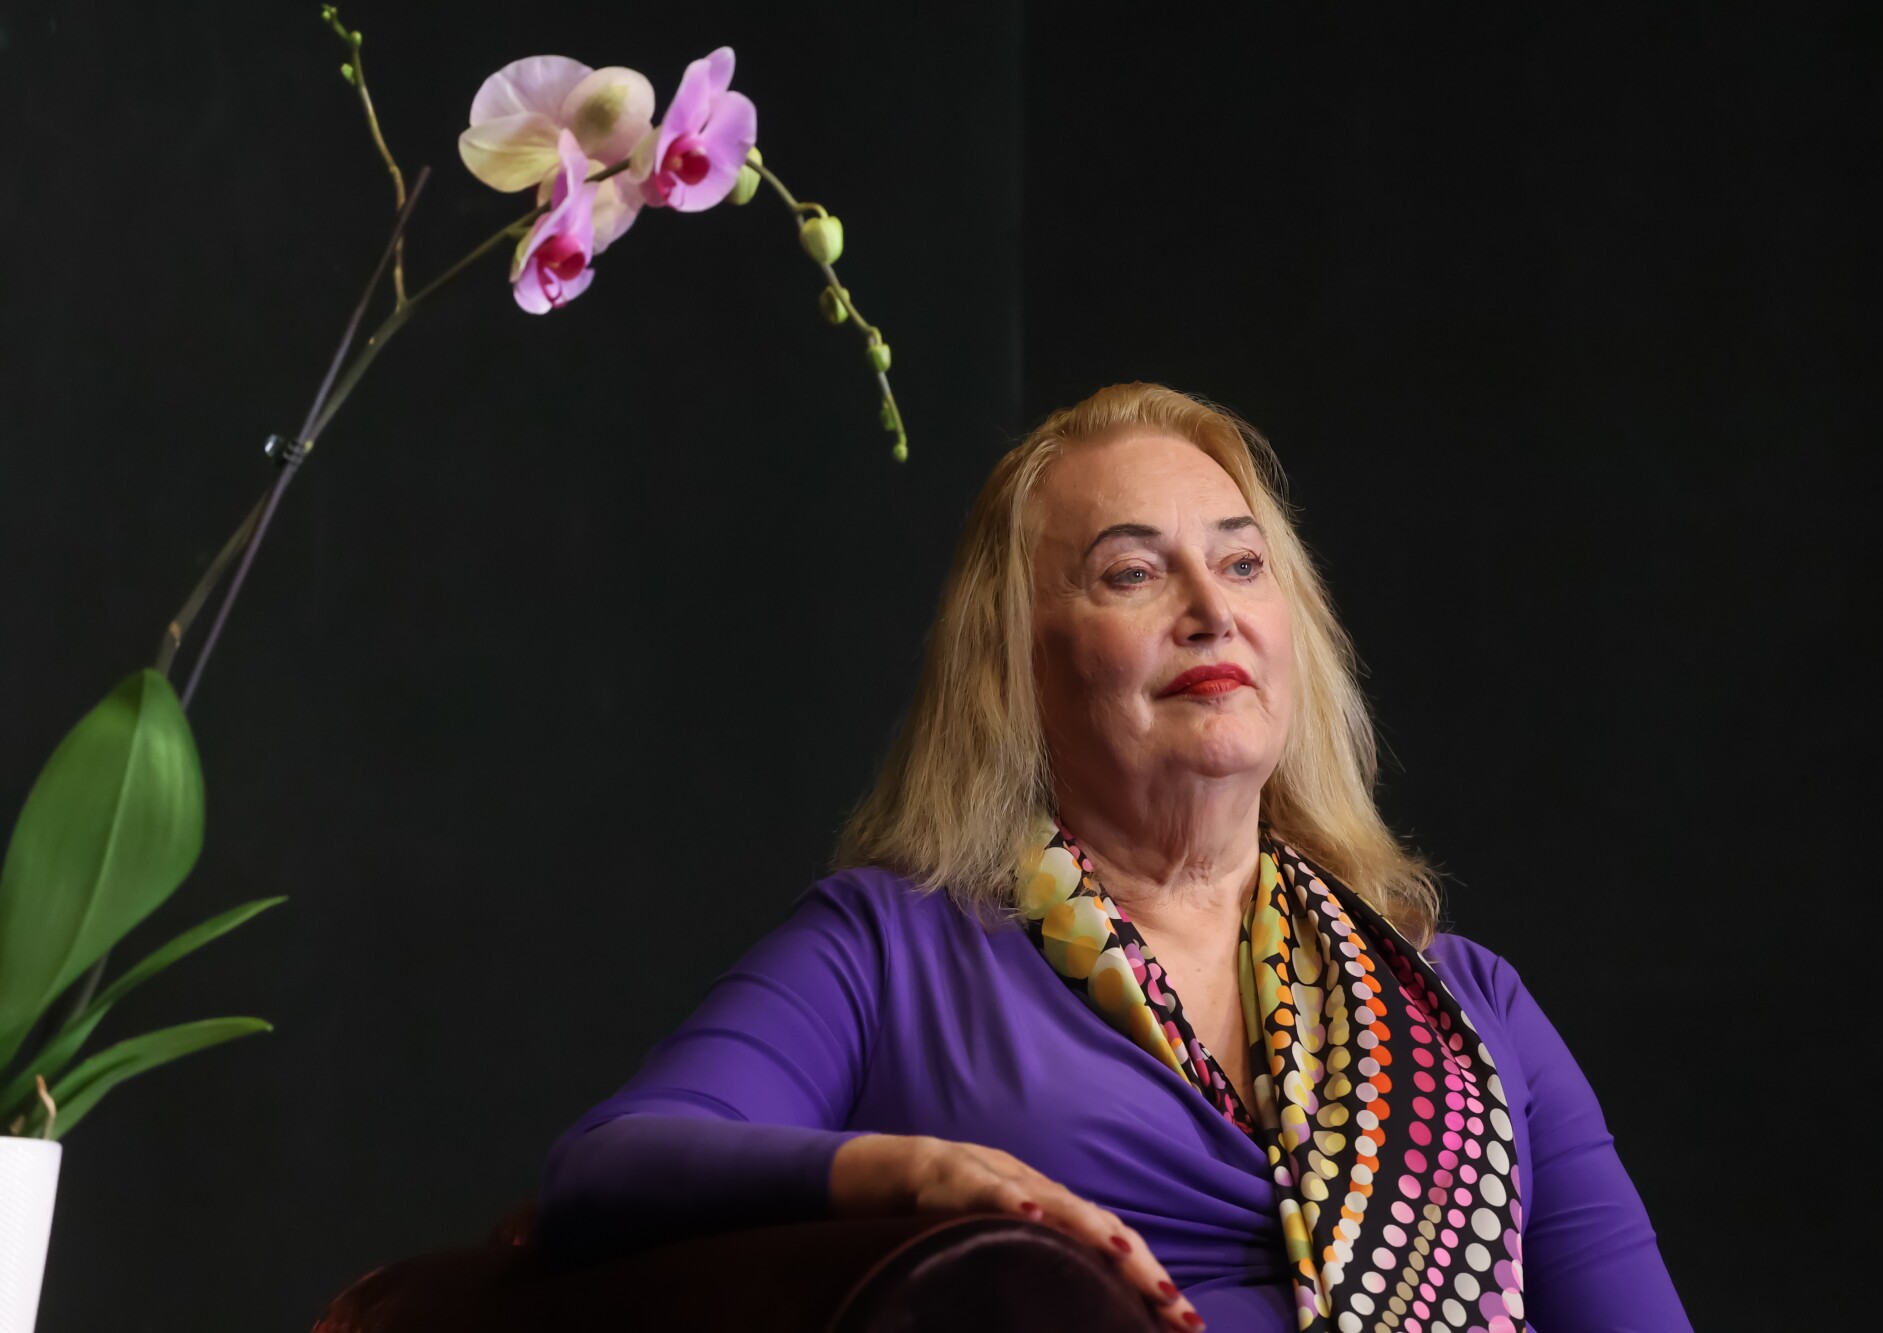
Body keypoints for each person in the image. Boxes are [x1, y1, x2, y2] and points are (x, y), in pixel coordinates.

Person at [537, 383, 1692, 1333]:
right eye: (1132, 573)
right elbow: (604, 1171)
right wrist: (920, 1176)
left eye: (1242, 567)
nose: (1210, 610)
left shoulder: (1470, 1005)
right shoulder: (891, 951)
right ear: (1016, 665)